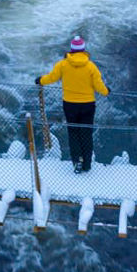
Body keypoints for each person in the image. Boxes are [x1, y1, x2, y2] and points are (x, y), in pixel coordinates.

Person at [35, 35, 109, 173]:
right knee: (86, 134)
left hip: (70, 105)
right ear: (83, 50)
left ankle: (77, 162)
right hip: (88, 105)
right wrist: (106, 92)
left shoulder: (63, 64)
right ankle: (87, 164)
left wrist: (40, 80)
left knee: (73, 133)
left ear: (72, 50)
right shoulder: (91, 66)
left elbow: (52, 78)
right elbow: (98, 85)